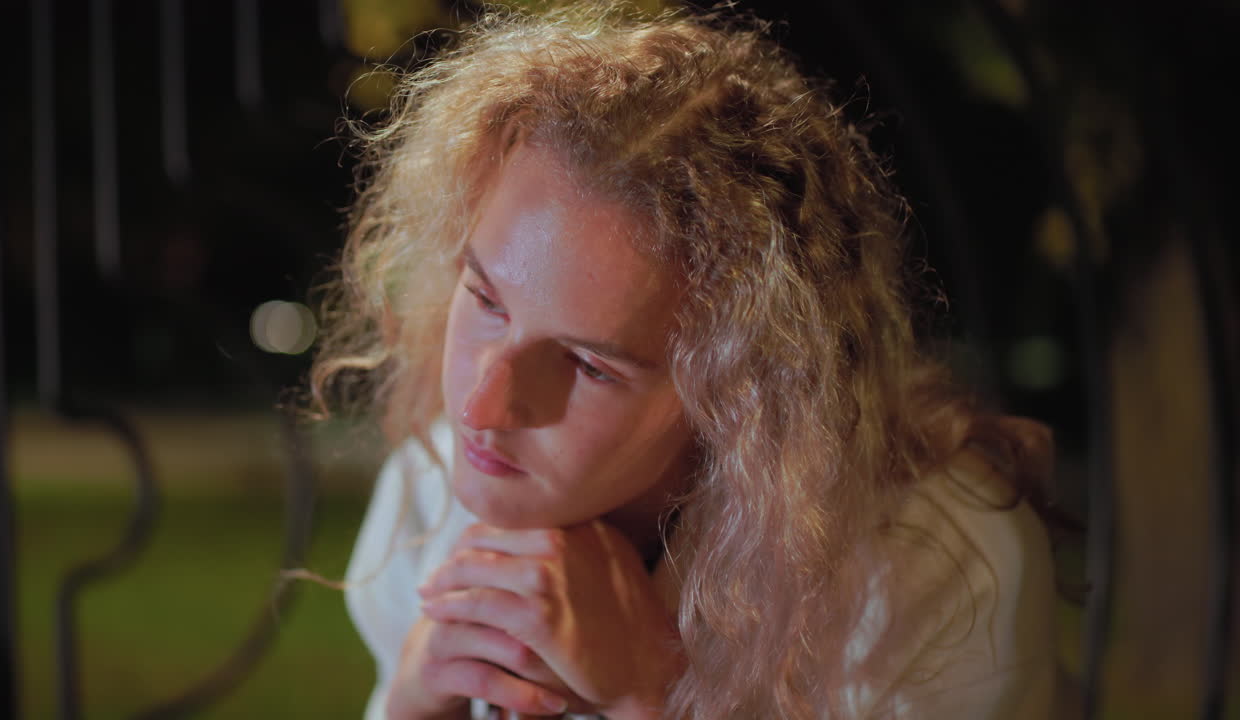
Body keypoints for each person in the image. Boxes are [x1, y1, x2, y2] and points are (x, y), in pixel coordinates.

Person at [311, 3, 1060, 718]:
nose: (481, 407)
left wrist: (648, 694)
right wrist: (411, 706)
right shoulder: (430, 490)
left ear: (743, 394)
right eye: (486, 300)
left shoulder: (936, 572)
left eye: (589, 366)